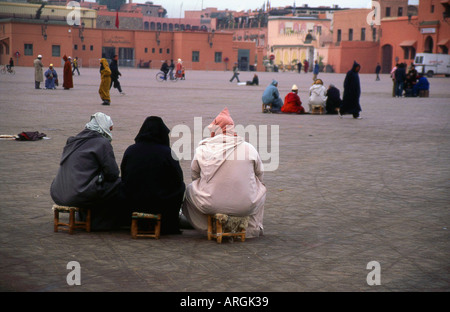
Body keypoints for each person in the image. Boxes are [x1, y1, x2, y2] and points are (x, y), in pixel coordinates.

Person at [182, 108, 266, 238]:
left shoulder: (203, 148)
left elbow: (194, 175)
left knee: (188, 191)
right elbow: (260, 174)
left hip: (210, 204)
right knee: (261, 189)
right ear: (232, 129)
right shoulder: (249, 148)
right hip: (244, 206)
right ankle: (251, 229)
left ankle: (207, 227)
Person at [50, 112, 127, 231]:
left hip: (58, 192)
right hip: (78, 193)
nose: (111, 132)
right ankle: (101, 222)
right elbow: (112, 173)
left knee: (96, 182)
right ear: (103, 127)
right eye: (110, 128)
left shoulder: (72, 140)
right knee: (120, 185)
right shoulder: (102, 143)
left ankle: (86, 216)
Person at [120, 116, 186, 235]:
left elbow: (124, 175)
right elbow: (178, 179)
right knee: (181, 187)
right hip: (160, 204)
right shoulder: (168, 153)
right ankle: (168, 222)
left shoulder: (131, 150)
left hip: (133, 202)